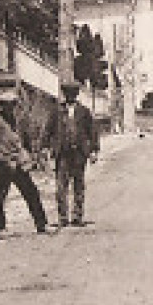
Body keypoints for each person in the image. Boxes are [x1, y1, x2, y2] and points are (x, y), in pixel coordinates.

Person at [0, 91, 51, 238]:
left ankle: (41, 224)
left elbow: (20, 143)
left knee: (31, 193)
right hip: (4, 166)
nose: (12, 108)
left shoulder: (15, 121)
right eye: (8, 105)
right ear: (2, 106)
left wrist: (28, 158)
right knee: (1, 196)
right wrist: (4, 160)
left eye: (13, 104)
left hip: (19, 165)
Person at [49, 80, 100, 227]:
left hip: (79, 153)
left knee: (78, 185)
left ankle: (77, 216)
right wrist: (45, 149)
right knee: (61, 187)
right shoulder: (57, 111)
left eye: (73, 93)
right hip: (62, 153)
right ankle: (63, 217)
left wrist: (94, 151)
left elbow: (93, 132)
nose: (70, 96)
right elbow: (48, 130)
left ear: (77, 94)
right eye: (67, 93)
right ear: (64, 94)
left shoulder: (84, 112)